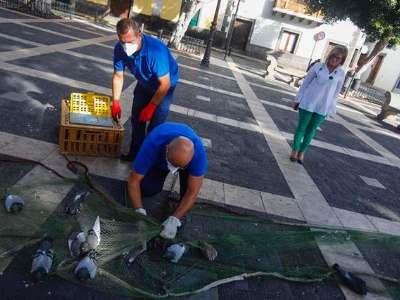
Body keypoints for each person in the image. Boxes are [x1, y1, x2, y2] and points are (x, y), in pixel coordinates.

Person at [112, 18, 179, 161]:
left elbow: (164, 85)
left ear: (140, 36)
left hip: (165, 86)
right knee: (137, 118)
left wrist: (151, 106)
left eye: (129, 42)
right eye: (122, 41)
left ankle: (147, 158)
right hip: (144, 84)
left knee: (155, 124)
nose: (125, 46)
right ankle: (135, 153)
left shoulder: (156, 51)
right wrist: (116, 102)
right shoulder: (119, 48)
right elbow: (118, 76)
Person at [127, 122, 208, 240]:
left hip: (180, 160)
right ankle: (164, 167)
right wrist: (138, 210)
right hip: (160, 158)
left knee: (187, 191)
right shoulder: (151, 145)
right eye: (172, 163)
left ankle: (180, 214)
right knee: (147, 188)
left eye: (179, 167)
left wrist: (176, 218)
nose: (174, 170)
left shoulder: (199, 155)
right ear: (167, 148)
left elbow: (193, 192)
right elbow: (133, 181)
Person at [291, 45, 348, 164]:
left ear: (342, 60)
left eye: (338, 58)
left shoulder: (341, 74)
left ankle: (302, 152)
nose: (335, 59)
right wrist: (298, 99)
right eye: (333, 56)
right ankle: (295, 150)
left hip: (323, 106)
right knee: (301, 127)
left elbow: (336, 93)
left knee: (311, 130)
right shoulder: (318, 67)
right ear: (330, 55)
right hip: (308, 102)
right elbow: (305, 84)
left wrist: (330, 107)